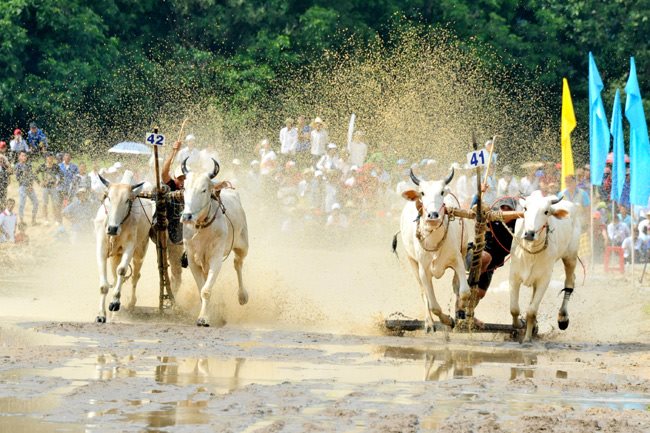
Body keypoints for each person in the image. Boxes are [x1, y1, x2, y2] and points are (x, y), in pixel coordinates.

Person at [465, 197, 519, 323]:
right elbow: (474, 209)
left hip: (491, 265)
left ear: (514, 211)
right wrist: (479, 195)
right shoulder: (490, 216)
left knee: (480, 293)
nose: (505, 211)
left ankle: (469, 315)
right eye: (503, 208)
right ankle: (460, 312)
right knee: (485, 257)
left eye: (508, 209)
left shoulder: (518, 224)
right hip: (475, 256)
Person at [161, 140, 186, 246]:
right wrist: (174, 151)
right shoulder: (171, 185)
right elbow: (164, 172)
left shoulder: (190, 187)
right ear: (175, 178)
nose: (182, 181)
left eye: (184, 178)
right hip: (169, 221)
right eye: (180, 178)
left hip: (186, 222)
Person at [37, 152, 63, 225]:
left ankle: (56, 219)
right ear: (46, 158)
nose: (50, 159)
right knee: (45, 204)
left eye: (52, 157)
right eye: (49, 157)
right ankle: (46, 219)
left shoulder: (56, 166)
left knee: (55, 204)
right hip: (45, 187)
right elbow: (35, 174)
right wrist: (39, 182)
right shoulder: (42, 166)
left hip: (53, 187)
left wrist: (58, 182)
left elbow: (62, 175)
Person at [14, 151, 39, 225]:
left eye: (25, 155)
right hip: (22, 187)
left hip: (29, 187)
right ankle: (21, 220)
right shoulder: (17, 166)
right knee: (22, 204)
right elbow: (18, 178)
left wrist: (31, 185)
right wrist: (23, 175)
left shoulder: (29, 165)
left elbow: (31, 176)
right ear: (19, 157)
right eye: (22, 155)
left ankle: (33, 220)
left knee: (36, 202)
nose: (24, 157)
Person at [0, 141, 10, 208]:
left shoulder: (5, 157)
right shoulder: (3, 157)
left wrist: (9, 178)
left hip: (4, 179)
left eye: (4, 147)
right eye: (1, 147)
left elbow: (9, 169)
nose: (3, 148)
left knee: (3, 196)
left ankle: (2, 210)